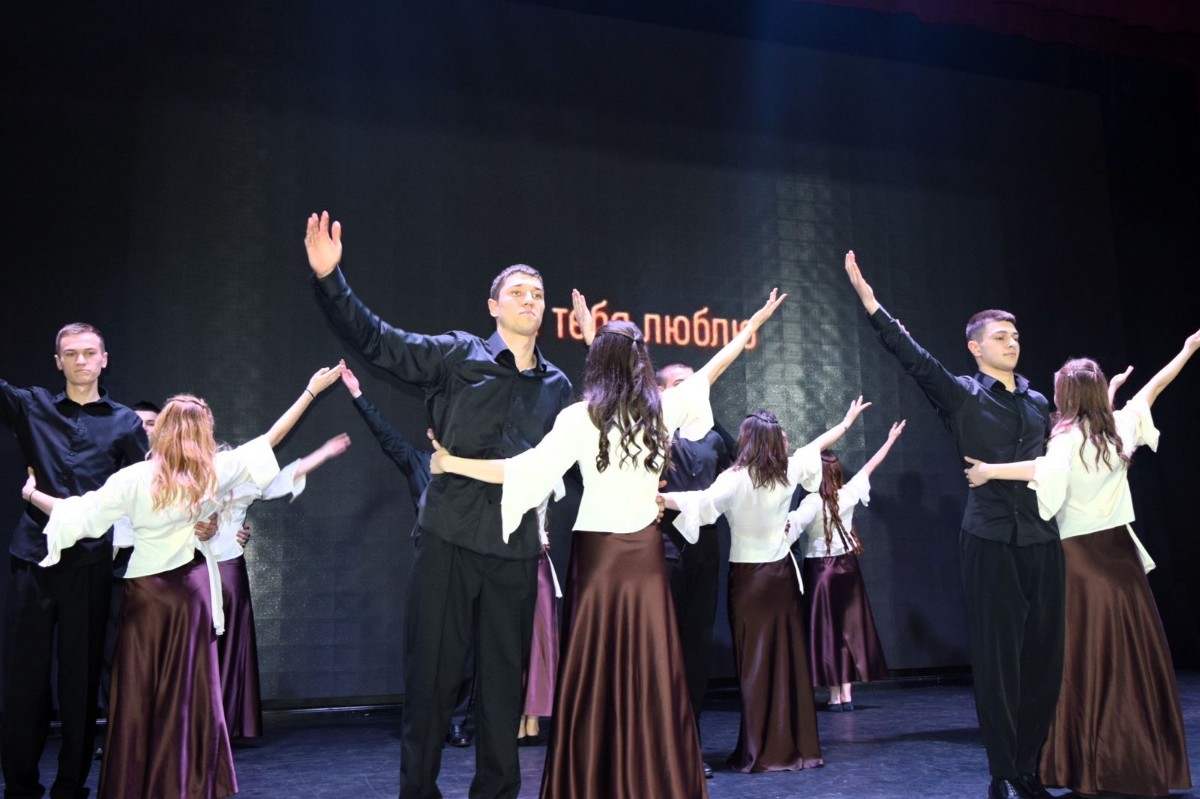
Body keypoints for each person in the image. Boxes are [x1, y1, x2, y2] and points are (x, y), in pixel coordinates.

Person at [430, 288, 786, 799]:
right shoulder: (661, 411)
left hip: (599, 563)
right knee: (649, 671)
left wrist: (452, 463)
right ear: (643, 362)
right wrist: (752, 322)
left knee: (595, 672)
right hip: (644, 561)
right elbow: (717, 364)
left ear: (597, 363)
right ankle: (653, 779)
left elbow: (523, 471)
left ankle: (593, 780)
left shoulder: (580, 417)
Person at [304, 210, 575, 799]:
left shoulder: (559, 388)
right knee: (431, 679)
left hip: (515, 548)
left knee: (502, 688)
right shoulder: (457, 355)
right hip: (449, 536)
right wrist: (331, 279)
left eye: (537, 294)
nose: (530, 300)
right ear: (493, 306)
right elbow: (381, 342)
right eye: (517, 292)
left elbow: (569, 460)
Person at [23, 366, 348, 799]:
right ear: (202, 433)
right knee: (190, 692)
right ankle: (187, 781)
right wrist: (310, 390)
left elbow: (77, 515)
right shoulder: (210, 473)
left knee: (139, 691)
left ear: (161, 432)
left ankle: (136, 784)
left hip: (146, 597)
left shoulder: (133, 479)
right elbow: (271, 439)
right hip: (190, 595)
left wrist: (31, 493)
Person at [844, 251, 1063, 799]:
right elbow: (915, 361)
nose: (1012, 343)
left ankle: (1030, 766)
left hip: (1041, 538)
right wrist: (872, 305)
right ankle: (1003, 769)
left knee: (1044, 658)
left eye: (1015, 335)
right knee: (998, 659)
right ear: (976, 347)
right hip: (989, 538)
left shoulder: (1038, 403)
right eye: (1000, 337)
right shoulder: (963, 395)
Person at [963, 332, 1199, 798]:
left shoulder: (1066, 439)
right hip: (1122, 561)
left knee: (1078, 661)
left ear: (1066, 396)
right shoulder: (1121, 427)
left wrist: (989, 471)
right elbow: (1155, 386)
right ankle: (1138, 756)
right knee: (1128, 658)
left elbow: (1041, 470)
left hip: (1079, 561)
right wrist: (1188, 350)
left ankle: (1083, 760)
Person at [662, 401, 873, 772]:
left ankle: (760, 750)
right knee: (787, 660)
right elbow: (818, 446)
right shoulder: (788, 471)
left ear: (747, 441)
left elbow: (701, 502)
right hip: (781, 578)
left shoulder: (735, 478)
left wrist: (660, 498)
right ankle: (796, 746)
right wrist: (845, 423)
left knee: (755, 665)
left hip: (748, 582)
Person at [1, 322, 149, 799]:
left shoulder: (126, 423)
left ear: (104, 359)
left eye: (89, 352)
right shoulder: (32, 406)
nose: (80, 360)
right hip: (33, 558)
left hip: (89, 563)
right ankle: (20, 786)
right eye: (70, 353)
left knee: (80, 681)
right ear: (57, 361)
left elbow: (149, 491)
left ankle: (70, 786)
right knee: (23, 678)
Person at [337, 362, 476, 749]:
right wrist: (357, 393)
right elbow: (385, 434)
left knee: (466, 649)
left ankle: (456, 722)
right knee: (427, 647)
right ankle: (427, 721)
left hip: (470, 565)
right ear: (433, 433)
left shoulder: (476, 470)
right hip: (430, 565)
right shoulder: (417, 462)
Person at [791, 420, 905, 711]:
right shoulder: (849, 493)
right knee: (849, 627)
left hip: (821, 570)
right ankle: (847, 694)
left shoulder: (811, 503)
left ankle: (834, 695)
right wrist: (890, 439)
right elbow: (871, 464)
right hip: (848, 567)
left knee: (827, 630)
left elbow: (791, 526)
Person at [654, 362, 733, 778]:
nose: (693, 391)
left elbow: (738, 474)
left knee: (696, 651)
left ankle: (689, 744)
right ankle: (654, 746)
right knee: (658, 651)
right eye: (682, 385)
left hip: (705, 553)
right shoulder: (652, 432)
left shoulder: (714, 438)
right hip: (660, 551)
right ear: (661, 392)